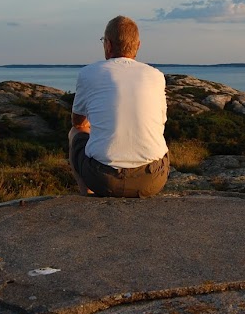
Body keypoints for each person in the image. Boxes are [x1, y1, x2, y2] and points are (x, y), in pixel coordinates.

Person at [68, 15, 170, 198]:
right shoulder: (156, 76)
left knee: (74, 133)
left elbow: (77, 122)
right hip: (151, 180)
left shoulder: (88, 73)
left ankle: (87, 196)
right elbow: (160, 123)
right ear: (138, 45)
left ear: (108, 44)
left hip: (102, 180)